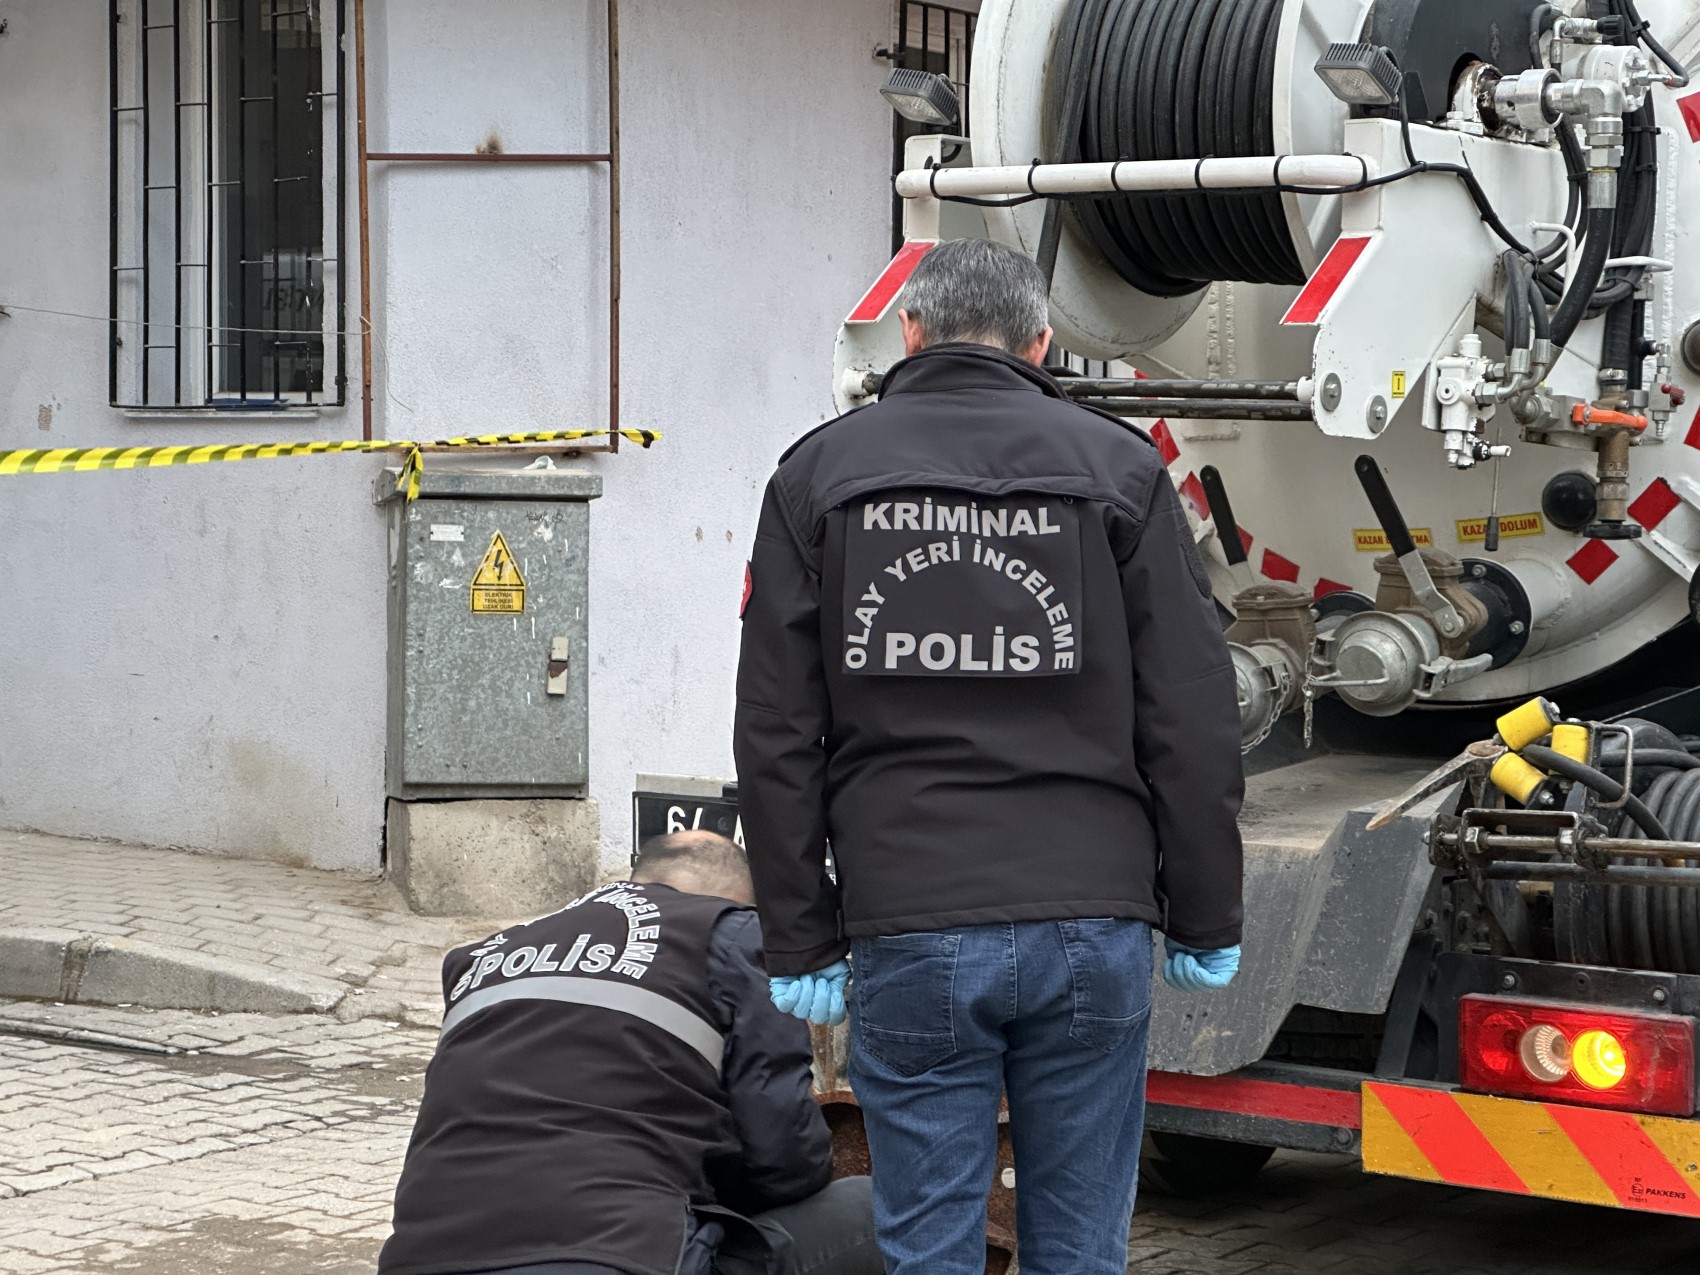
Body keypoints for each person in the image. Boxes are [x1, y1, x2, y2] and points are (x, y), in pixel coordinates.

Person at [733, 237, 1245, 1275]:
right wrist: (1204, 911)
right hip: (1092, 920)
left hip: (910, 918)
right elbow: (1190, 710)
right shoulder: (1119, 470)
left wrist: (800, 934)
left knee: (928, 1246)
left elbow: (777, 728)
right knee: (1081, 1245)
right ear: (1042, 342)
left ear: (909, 332)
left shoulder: (816, 475)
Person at [378, 830, 881, 1275]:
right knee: (876, 1208)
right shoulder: (733, 932)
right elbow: (783, 1160)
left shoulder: (481, 957)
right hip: (620, 1254)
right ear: (736, 899)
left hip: (421, 1259)